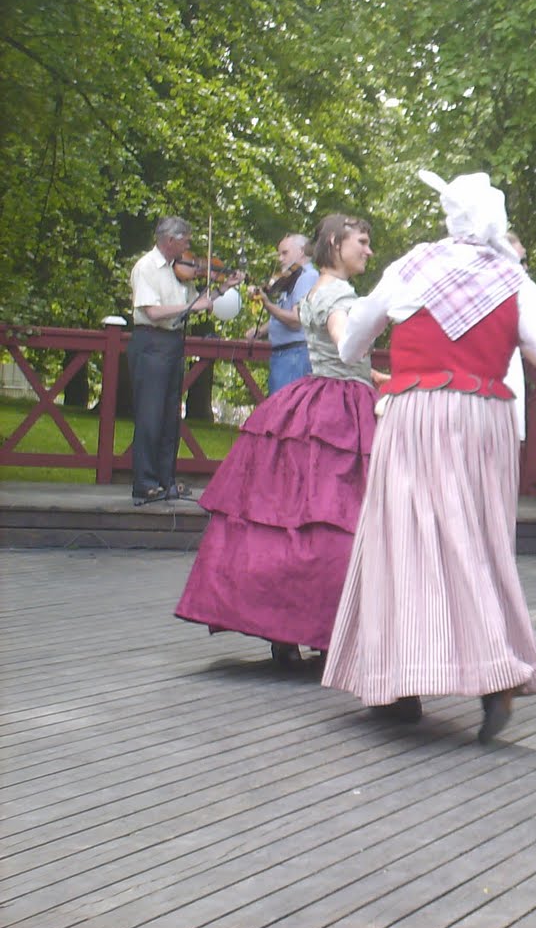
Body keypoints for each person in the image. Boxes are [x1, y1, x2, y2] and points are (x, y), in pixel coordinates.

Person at [321, 170, 536, 745]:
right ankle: (492, 676)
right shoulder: (512, 278)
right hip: (484, 420)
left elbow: (355, 342)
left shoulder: (408, 268)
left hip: (415, 414)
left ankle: (400, 683)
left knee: (401, 541)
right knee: (476, 542)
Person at [175, 214, 378, 666]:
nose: (368, 250)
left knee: (285, 517)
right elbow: (345, 346)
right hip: (342, 411)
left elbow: (343, 357)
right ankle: (328, 630)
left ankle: (283, 629)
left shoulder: (313, 289)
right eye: (361, 242)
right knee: (334, 519)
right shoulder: (339, 293)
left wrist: (383, 375)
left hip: (316, 399)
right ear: (334, 243)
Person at [128, 216, 214, 505]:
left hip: (173, 342)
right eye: (185, 240)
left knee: (170, 416)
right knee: (150, 415)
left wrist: (220, 289)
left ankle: (166, 481)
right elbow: (152, 312)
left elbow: (189, 306)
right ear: (170, 240)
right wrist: (196, 303)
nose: (189, 245)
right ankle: (145, 483)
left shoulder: (179, 271)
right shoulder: (147, 267)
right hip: (151, 341)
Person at [249, 233, 320, 394]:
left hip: (295, 355)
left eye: (285, 253)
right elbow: (283, 314)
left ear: (302, 252)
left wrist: (267, 303)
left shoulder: (307, 277)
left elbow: (295, 321)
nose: (280, 259)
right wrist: (260, 330)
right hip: (287, 355)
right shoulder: (292, 278)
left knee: (286, 413)